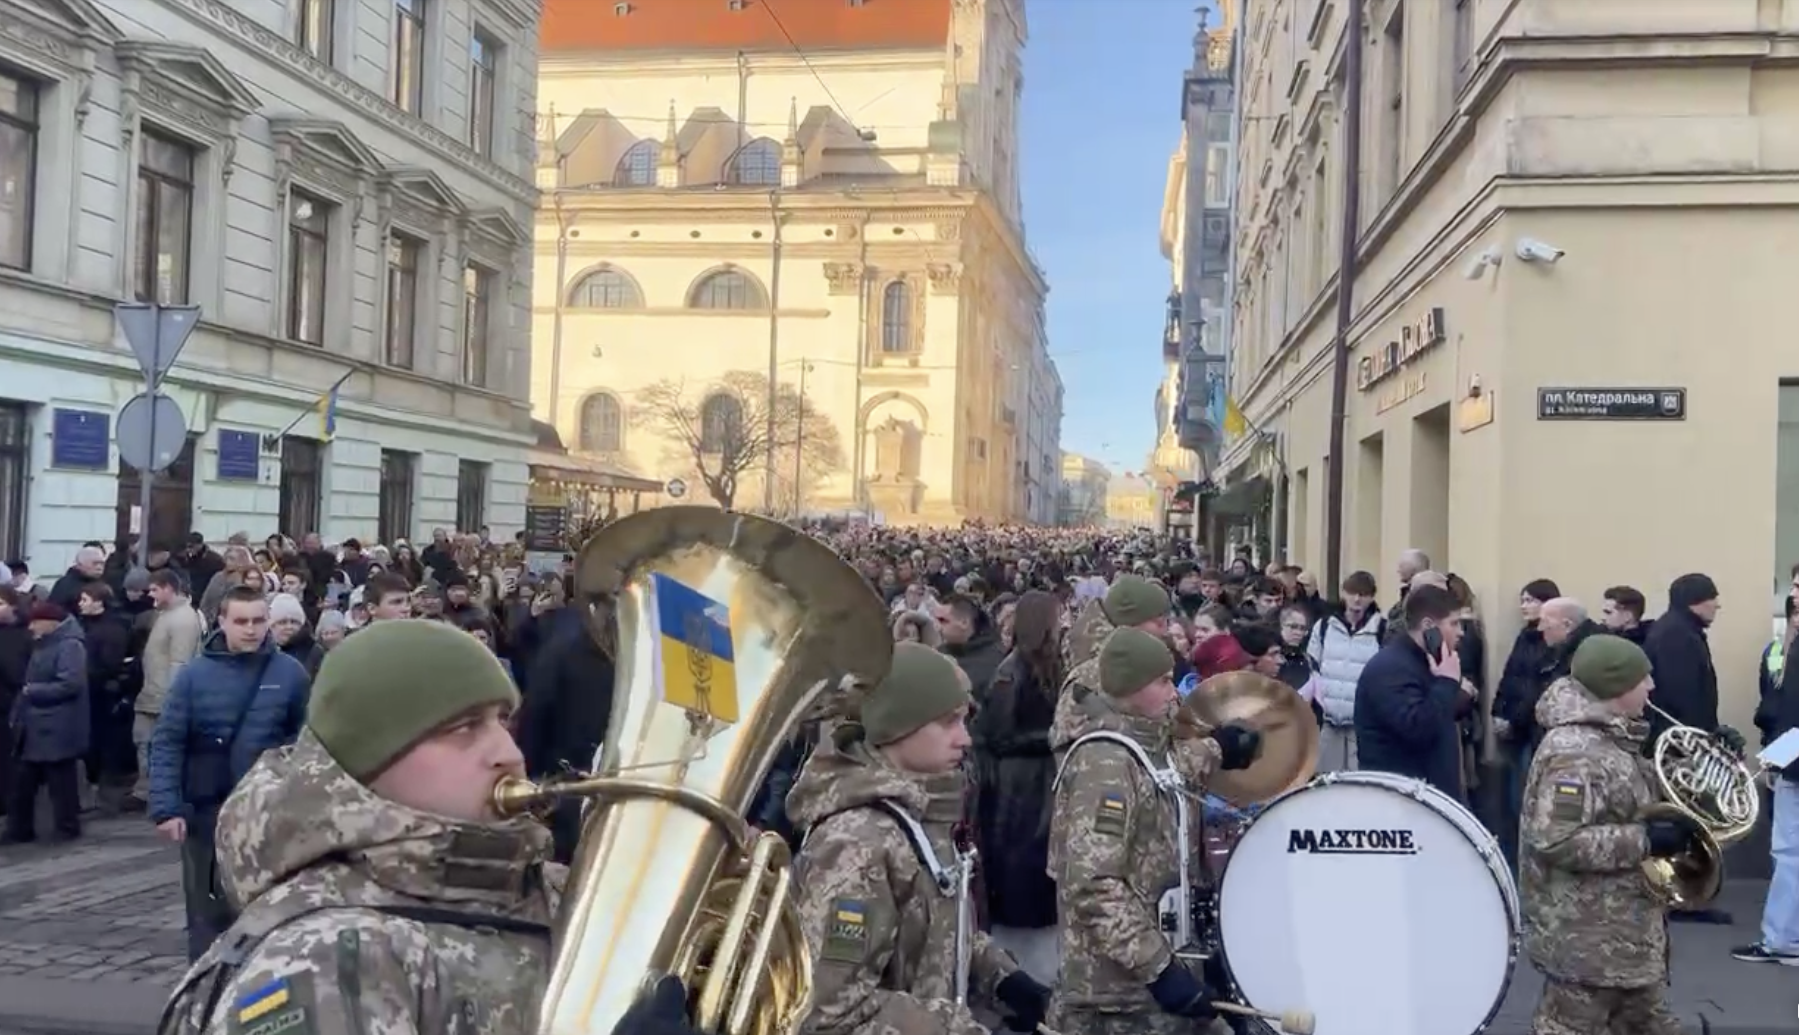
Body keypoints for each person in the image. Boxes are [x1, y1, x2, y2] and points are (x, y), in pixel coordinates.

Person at [154, 620, 560, 1035]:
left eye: (503, 722)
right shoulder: (327, 956)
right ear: (374, 758)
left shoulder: (544, 886)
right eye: (463, 728)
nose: (508, 754)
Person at [785, 641, 1051, 1035]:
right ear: (897, 724)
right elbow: (831, 1012)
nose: (964, 739)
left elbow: (933, 929)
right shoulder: (857, 842)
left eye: (964, 721)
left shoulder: (919, 813)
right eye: (947, 722)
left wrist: (1003, 978)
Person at [1048, 627, 1263, 1035]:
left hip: (1146, 984)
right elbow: (1092, 885)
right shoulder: (1104, 765)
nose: (1174, 693)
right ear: (1130, 688)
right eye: (1162, 682)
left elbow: (1166, 772)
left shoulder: (1142, 743)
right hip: (1114, 998)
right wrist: (1160, 969)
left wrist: (1217, 749)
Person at [1521, 635, 1694, 1034]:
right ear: (1616, 687)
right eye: (1643, 678)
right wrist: (1645, 841)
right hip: (1587, 944)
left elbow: (1638, 791)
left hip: (1626, 936)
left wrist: (1705, 760)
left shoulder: (1612, 738)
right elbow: (1556, 840)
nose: (1652, 686)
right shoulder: (1574, 751)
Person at [1353, 585, 1470, 802]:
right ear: (1428, 626)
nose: (1461, 632)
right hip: (1400, 801)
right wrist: (1446, 682)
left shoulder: (1429, 661)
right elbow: (1417, 727)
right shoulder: (1391, 667)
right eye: (1454, 623)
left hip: (1426, 797)